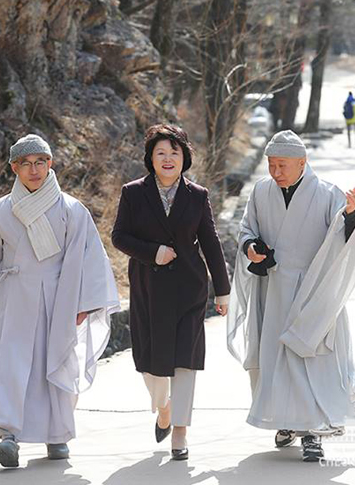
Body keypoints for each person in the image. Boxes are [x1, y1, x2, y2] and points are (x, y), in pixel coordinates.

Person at [0, 133, 120, 469]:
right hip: (12, 296)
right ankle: (7, 435)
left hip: (58, 297)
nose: (34, 170)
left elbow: (87, 257)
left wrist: (83, 303)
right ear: (14, 169)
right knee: (10, 364)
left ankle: (57, 435)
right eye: (26, 164)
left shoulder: (72, 210)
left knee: (55, 362)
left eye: (40, 162)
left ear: (50, 164)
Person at [227, 129, 355, 463]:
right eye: (271, 165)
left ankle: (312, 434)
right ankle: (286, 422)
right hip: (274, 289)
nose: (275, 173)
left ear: (302, 163)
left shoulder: (327, 194)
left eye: (282, 166)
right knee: (277, 361)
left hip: (313, 291)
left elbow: (349, 236)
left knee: (311, 362)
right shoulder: (261, 192)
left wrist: (351, 215)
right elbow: (248, 229)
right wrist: (252, 248)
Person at [112, 124, 231, 461]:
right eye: (160, 153)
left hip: (188, 290)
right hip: (148, 289)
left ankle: (180, 431)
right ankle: (163, 407)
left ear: (184, 157)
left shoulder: (197, 195)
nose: (168, 159)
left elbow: (210, 242)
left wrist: (222, 291)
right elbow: (119, 236)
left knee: (184, 363)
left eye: (174, 152)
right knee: (150, 363)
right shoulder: (133, 193)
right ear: (150, 158)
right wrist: (153, 252)